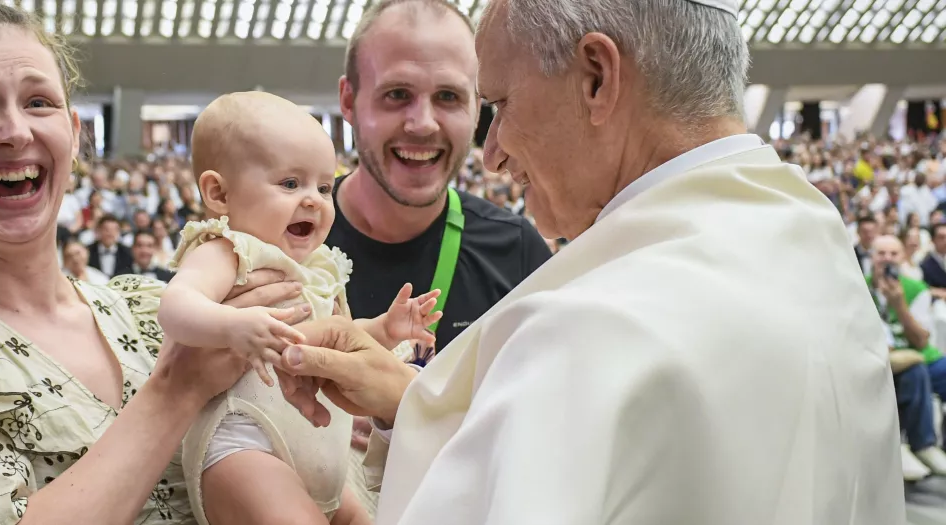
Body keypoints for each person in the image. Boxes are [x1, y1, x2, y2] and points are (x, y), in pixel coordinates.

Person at [275, 0, 906, 522]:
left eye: (500, 106)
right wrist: (412, 404)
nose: (492, 154)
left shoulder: (588, 325)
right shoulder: (812, 238)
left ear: (597, 78)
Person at [0, 1, 305, 523]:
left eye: (38, 102)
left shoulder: (152, 309)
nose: (15, 131)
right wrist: (176, 389)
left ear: (72, 132)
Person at [159, 91, 439, 525]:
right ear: (219, 193)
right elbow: (175, 306)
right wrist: (232, 325)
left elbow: (336, 338)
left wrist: (384, 329)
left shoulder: (319, 265)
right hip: (245, 443)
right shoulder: (229, 249)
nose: (313, 200)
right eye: (290, 184)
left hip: (323, 453)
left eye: (324, 187)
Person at [326, 0, 551, 355]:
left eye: (448, 96)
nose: (423, 124)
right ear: (349, 101)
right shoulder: (277, 240)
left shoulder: (516, 254)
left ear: (476, 110)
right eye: (397, 94)